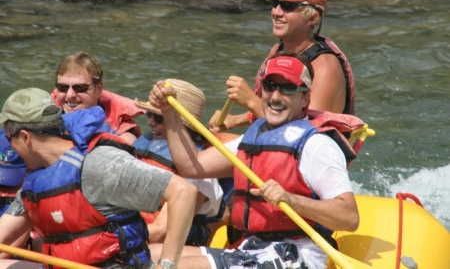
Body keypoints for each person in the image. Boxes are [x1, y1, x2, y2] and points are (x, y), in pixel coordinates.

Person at [149, 53, 360, 269]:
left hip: (296, 255)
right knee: (150, 254)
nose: (275, 97)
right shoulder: (253, 137)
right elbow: (190, 165)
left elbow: (349, 217)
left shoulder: (317, 145)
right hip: (252, 248)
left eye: (287, 88)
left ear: (305, 98)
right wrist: (169, 113)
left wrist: (291, 200)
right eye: (269, 86)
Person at [0, 88, 197, 269]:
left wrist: (167, 265)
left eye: (10, 139)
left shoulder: (98, 164)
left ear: (26, 138)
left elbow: (184, 192)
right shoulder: (37, 182)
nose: (11, 148)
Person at [209, 0, 355, 133]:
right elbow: (276, 110)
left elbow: (305, 135)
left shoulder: (325, 68)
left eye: (287, 6)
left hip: (302, 153)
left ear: (312, 17)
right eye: (275, 3)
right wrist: (235, 120)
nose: (276, 12)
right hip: (275, 147)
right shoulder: (277, 51)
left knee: (191, 156)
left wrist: (252, 101)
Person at [133, 78, 224, 247]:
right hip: (132, 230)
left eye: (159, 118)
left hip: (166, 248)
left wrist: (115, 241)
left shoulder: (200, 171)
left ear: (182, 126)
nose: (150, 122)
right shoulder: (143, 143)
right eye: (149, 114)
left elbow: (162, 230)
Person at [51, 51, 144, 143]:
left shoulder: (123, 134)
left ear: (98, 89)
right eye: (63, 87)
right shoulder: (45, 116)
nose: (70, 95)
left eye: (80, 88)